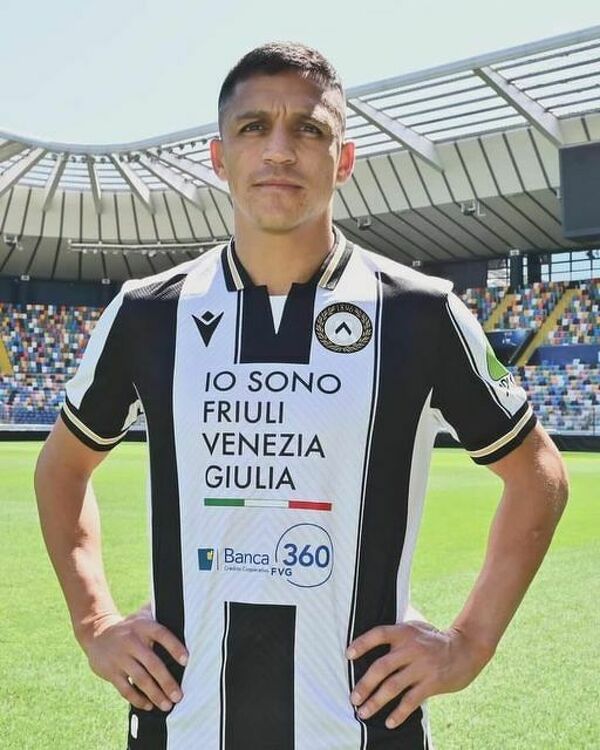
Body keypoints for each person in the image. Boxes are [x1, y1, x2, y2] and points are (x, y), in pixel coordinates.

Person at [35, 42, 569, 750]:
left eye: (309, 129)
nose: (280, 150)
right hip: (182, 718)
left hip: (363, 723)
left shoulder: (420, 312)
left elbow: (539, 475)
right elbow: (62, 467)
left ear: (343, 160)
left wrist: (468, 644)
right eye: (253, 127)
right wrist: (97, 623)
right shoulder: (147, 312)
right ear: (219, 157)